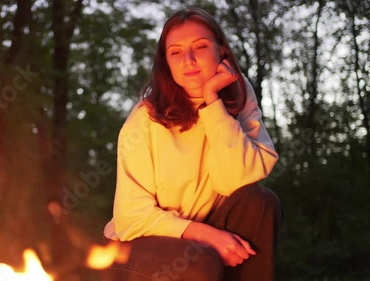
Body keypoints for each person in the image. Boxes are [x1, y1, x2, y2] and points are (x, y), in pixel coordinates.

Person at [101, 7, 282, 281]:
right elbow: (131, 218)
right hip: (135, 245)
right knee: (200, 261)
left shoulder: (238, 93)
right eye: (176, 52)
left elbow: (236, 180)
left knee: (261, 203)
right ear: (167, 63)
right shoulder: (145, 119)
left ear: (221, 51)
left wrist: (213, 102)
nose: (188, 60)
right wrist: (208, 236)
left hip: (205, 225)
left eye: (200, 46)